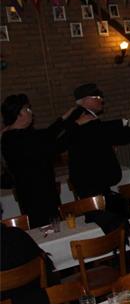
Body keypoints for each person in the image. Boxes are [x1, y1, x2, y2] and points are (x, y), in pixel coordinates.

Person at [1, 94, 82, 227]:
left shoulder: (18, 135)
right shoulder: (16, 139)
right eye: (27, 109)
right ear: (17, 114)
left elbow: (48, 135)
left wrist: (64, 118)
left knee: (54, 226)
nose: (31, 112)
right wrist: (75, 125)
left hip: (41, 191)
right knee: (47, 228)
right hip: (36, 196)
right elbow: (54, 146)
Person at [67, 83, 130, 199]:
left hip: (92, 180)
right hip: (92, 180)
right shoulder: (84, 117)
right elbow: (113, 136)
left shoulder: (82, 115)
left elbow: (100, 135)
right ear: (86, 100)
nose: (101, 100)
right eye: (97, 97)